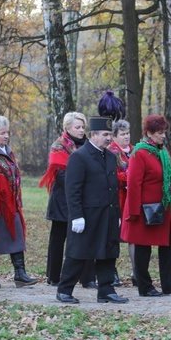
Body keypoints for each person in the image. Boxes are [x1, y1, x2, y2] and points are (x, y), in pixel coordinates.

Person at [55, 116, 129, 304]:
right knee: (78, 252)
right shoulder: (79, 157)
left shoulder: (111, 157)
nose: (108, 138)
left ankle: (106, 290)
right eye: (104, 135)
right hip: (87, 215)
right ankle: (64, 290)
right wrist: (76, 216)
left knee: (108, 251)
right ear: (93, 135)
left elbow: (113, 187)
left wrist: (117, 214)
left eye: (109, 135)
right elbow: (72, 190)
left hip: (108, 213)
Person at [122, 115, 171, 296]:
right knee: (143, 248)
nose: (163, 136)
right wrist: (133, 212)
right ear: (149, 133)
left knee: (166, 246)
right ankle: (145, 286)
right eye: (159, 133)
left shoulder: (163, 151)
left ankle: (169, 285)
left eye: (164, 132)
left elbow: (170, 177)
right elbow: (133, 184)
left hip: (163, 207)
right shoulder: (139, 153)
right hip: (145, 210)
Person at [0, 116, 37, 288]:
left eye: (7, 132)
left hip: (11, 202)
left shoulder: (7, 150)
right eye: (1, 133)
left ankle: (20, 274)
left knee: (17, 234)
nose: (6, 136)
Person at [40, 112, 95, 288]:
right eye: (77, 127)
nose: (81, 130)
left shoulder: (89, 144)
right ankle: (54, 276)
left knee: (85, 237)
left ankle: (87, 277)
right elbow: (60, 173)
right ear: (67, 128)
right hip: (62, 199)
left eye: (82, 127)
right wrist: (82, 182)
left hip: (84, 199)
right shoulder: (60, 146)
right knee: (59, 237)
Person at [108, 118, 135, 287]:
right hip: (117, 199)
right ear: (114, 136)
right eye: (123, 134)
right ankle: (112, 272)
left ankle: (136, 271)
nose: (126, 137)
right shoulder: (111, 152)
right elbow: (112, 174)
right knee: (114, 236)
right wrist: (129, 178)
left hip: (133, 199)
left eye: (128, 133)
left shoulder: (135, 150)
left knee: (134, 237)